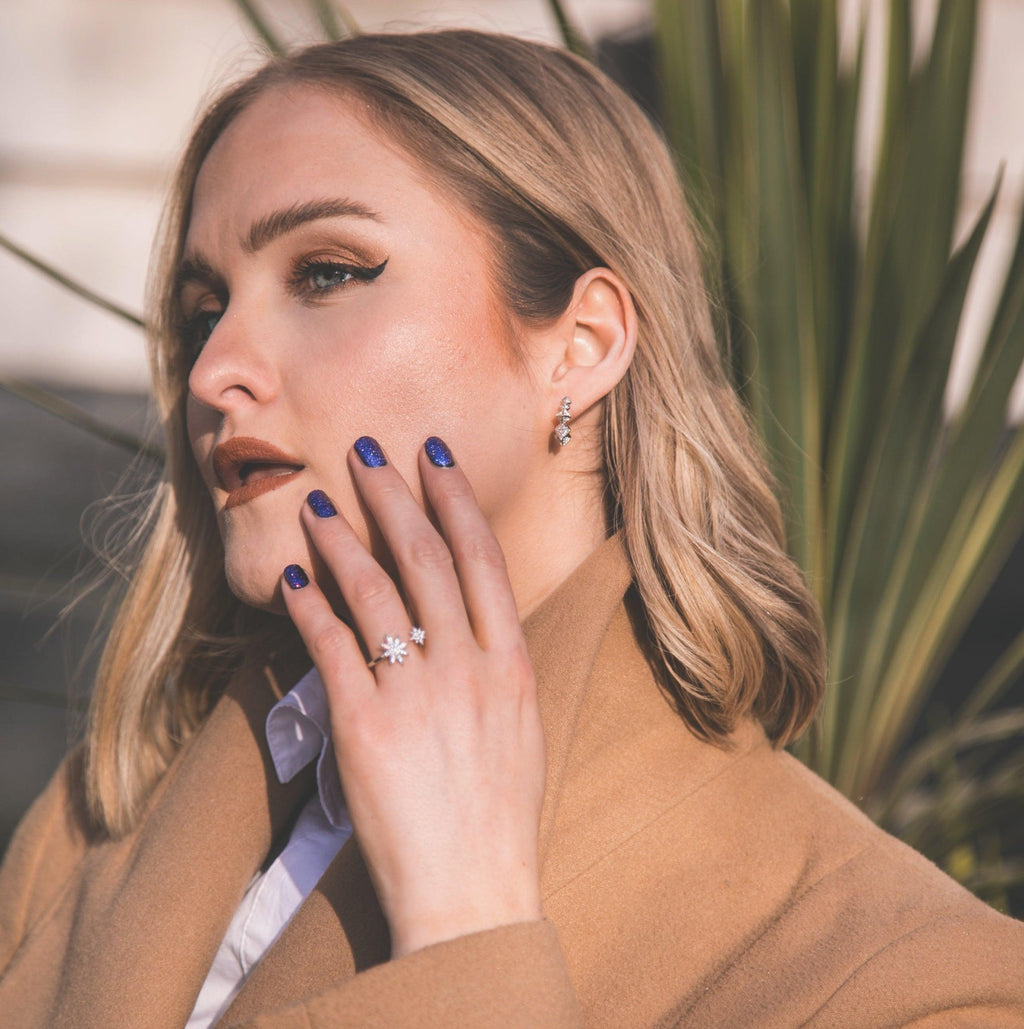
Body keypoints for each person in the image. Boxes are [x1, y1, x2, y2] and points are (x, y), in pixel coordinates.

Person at [1, 28, 1022, 1028]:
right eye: (203, 310)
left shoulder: (907, 982)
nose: (216, 370)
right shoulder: (91, 830)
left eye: (326, 272)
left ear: (580, 346)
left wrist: (464, 933)